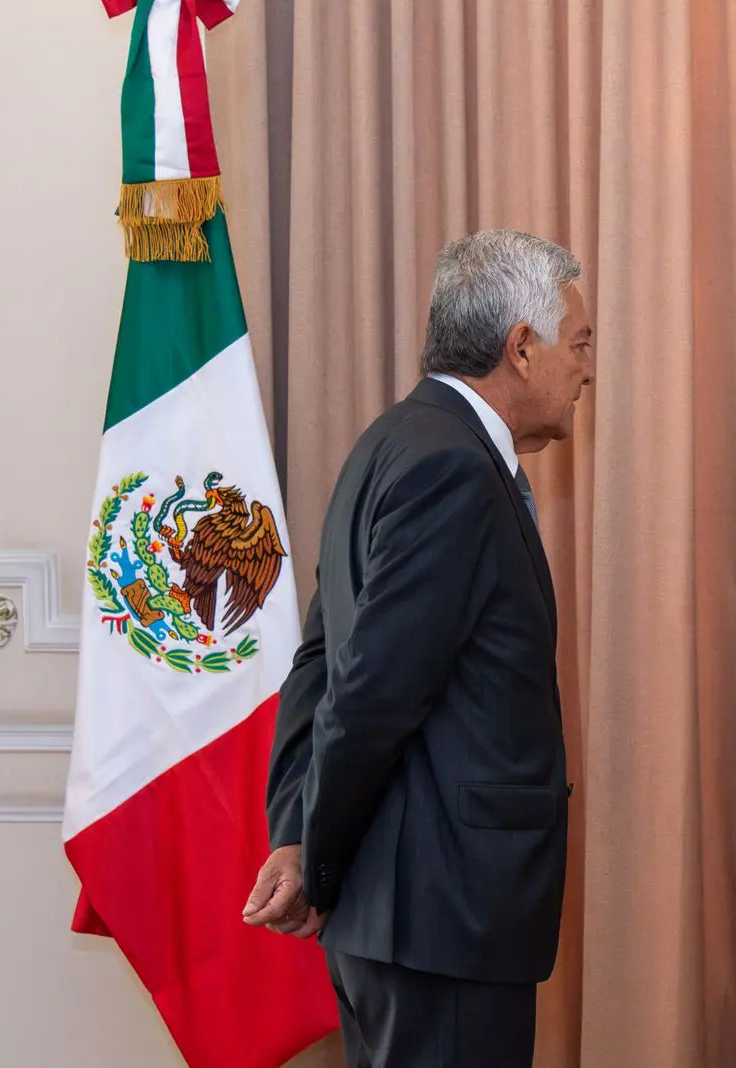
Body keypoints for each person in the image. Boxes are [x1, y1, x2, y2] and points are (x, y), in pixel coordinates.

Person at [241, 228, 593, 1067]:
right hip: (444, 919)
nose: (586, 369)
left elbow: (318, 662)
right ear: (522, 347)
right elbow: (368, 690)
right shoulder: (456, 469)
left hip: (401, 917)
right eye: (577, 344)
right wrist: (316, 863)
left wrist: (298, 831)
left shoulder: (390, 442)